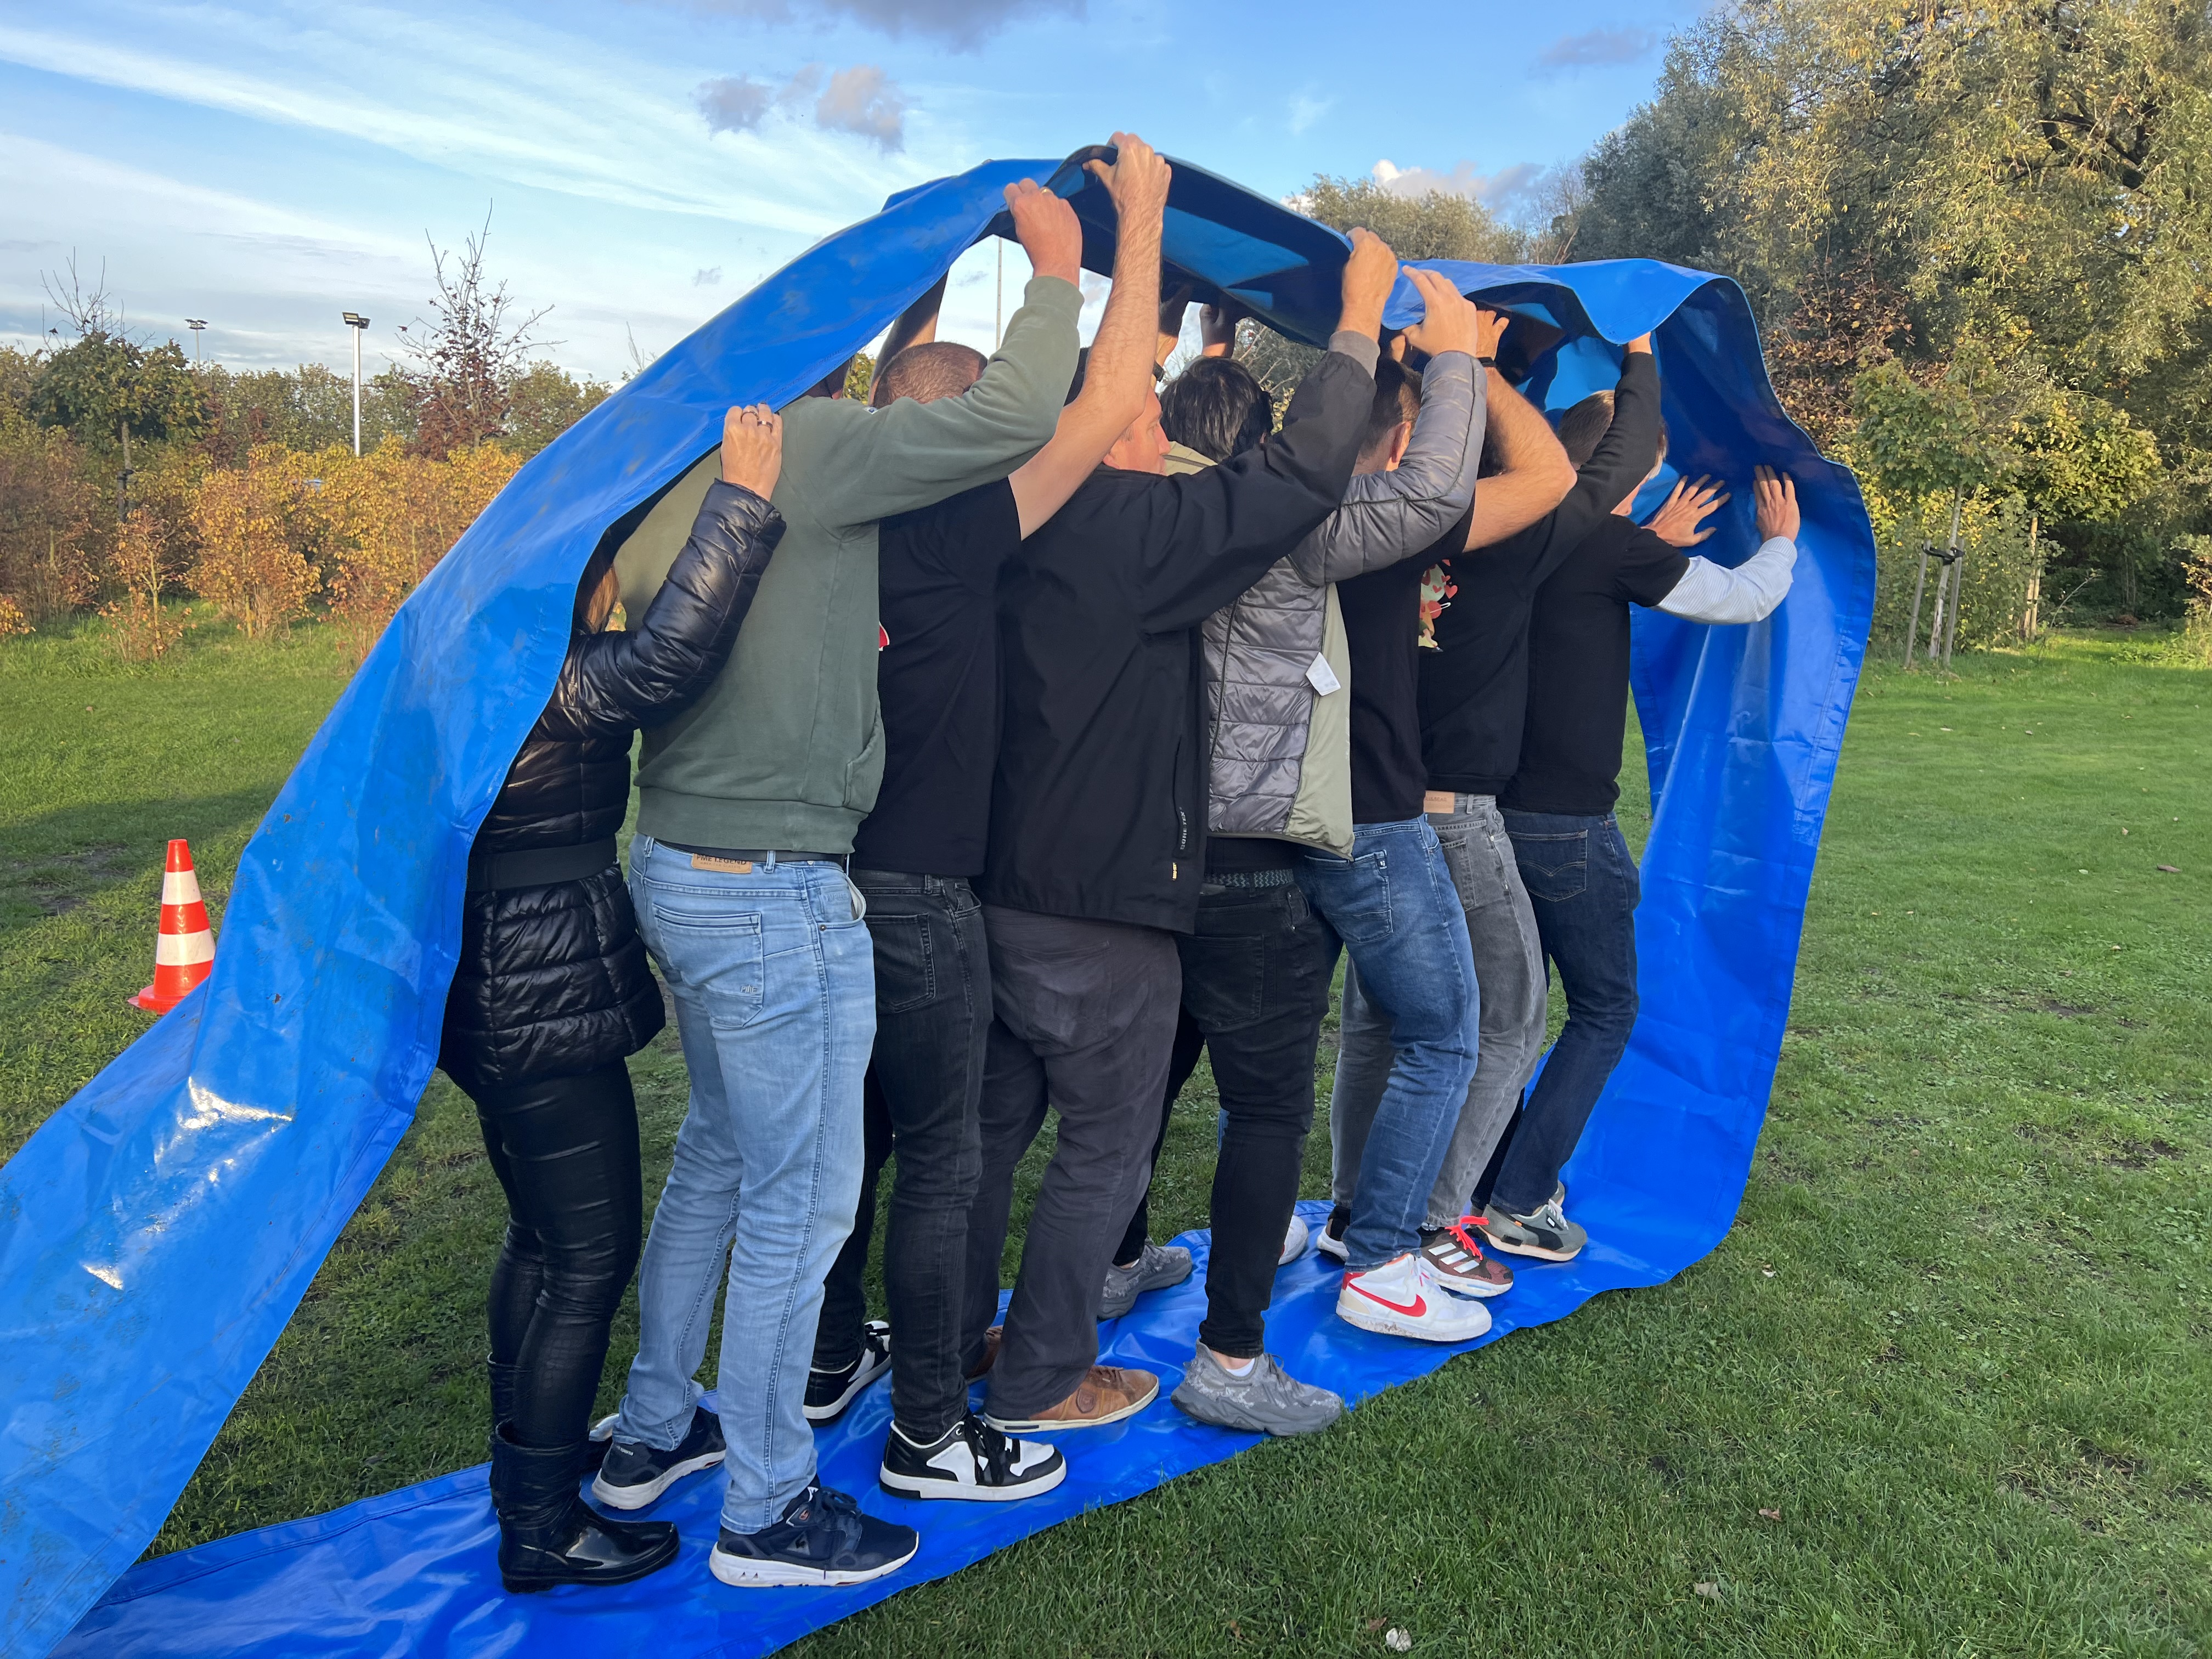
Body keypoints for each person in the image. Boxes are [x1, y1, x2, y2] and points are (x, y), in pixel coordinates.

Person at [589, 174, 1087, 1591]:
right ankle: (767, 1509)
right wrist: (1056, 267)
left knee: (717, 1162)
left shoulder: (682, 462)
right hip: (773, 890)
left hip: (680, 861)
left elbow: (887, 406)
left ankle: (651, 1435)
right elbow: (1011, 416)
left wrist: (923, 287)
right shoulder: (812, 451)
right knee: (802, 1206)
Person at [958, 227, 1403, 1438]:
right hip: (1101, 902)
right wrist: (1358, 321)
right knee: (1114, 1140)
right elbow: (1300, 472)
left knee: (992, 1136)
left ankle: (956, 1344)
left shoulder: (1012, 517)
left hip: (1001, 888)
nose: (1158, 432)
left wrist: (1178, 324)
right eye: (1141, 415)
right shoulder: (1127, 533)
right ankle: (1063, 1374)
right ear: (1101, 434)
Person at [802, 136, 1177, 1504]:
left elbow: (895, 388)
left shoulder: (828, 517)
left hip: (820, 876)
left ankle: (825, 1359)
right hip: (922, 888)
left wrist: (927, 269)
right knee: (946, 1163)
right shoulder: (961, 531)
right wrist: (1124, 231)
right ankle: (931, 1429)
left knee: (850, 1142)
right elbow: (1108, 399)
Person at [1102, 270, 1495, 1424]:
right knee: (1268, 1106)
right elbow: (1432, 491)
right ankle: (1230, 1362)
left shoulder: (1115, 508)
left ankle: (1108, 1270)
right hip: (1255, 854)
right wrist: (1455, 354)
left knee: (1144, 1081)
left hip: (1141, 849)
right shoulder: (1282, 523)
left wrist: (1184, 332)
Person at [437, 405, 786, 1593]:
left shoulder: (471, 665)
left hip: (494, 991)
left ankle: (524, 1480)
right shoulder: (546, 678)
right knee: (588, 1259)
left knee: (542, 1241)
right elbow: (673, 654)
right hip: (537, 998)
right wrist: (742, 501)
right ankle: (541, 1527)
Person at [1325, 337, 1661, 1274]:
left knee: (1378, 1020)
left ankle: (1353, 1208)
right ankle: (1436, 1221)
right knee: (1506, 1022)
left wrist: (1433, 362)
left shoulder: (1373, 531)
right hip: (1455, 819)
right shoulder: (1512, 545)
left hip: (1367, 810)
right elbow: (1614, 462)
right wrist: (1638, 349)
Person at [1484, 405, 1800, 1261]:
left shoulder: (1519, 533)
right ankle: (1517, 1201)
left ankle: (1484, 1180)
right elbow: (1745, 598)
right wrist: (1781, 540)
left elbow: (1584, 589)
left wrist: (1649, 538)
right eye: (1644, 478)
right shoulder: (1610, 546)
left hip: (1485, 817)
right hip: (1567, 828)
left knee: (1509, 1015)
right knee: (1606, 1007)